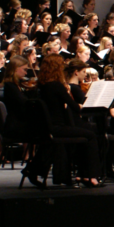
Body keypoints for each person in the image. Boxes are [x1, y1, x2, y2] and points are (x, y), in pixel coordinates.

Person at [37, 54, 102, 187]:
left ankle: (82, 174)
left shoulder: (42, 86)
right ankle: (89, 176)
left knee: (85, 131)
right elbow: (75, 108)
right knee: (90, 135)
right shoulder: (57, 86)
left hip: (46, 126)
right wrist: (75, 101)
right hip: (57, 127)